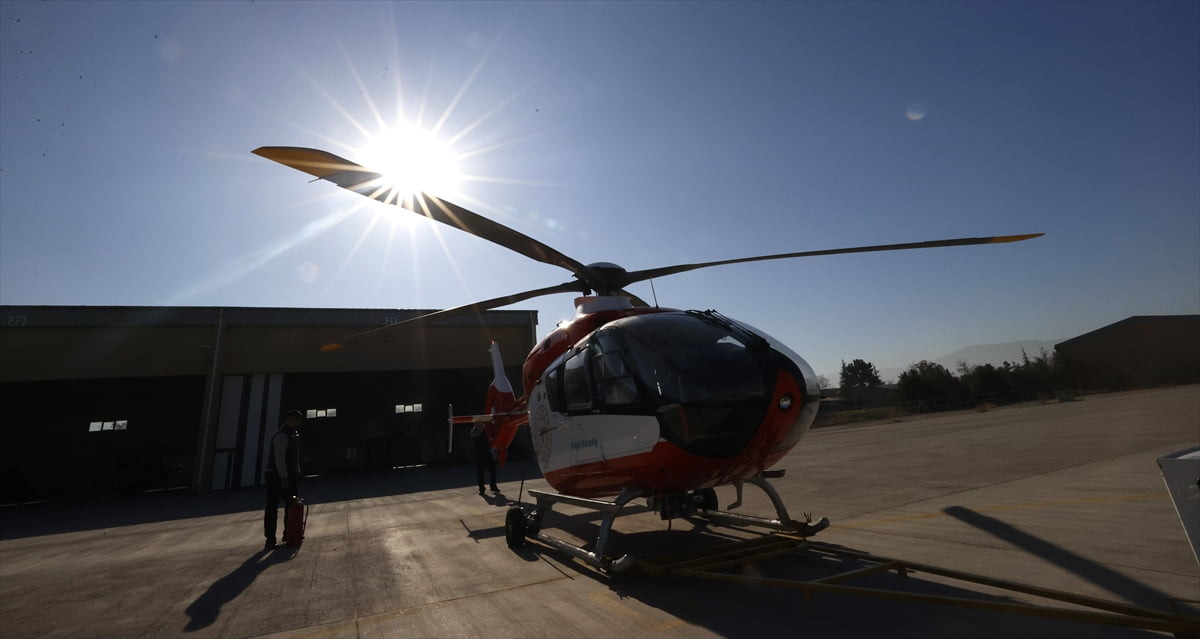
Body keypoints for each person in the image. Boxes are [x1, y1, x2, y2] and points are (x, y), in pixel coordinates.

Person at [264, 409, 303, 549]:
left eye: (298, 420)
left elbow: (294, 457)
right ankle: (270, 539)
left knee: (292, 504)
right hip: (276, 475)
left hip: (288, 474)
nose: (296, 422)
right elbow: (279, 458)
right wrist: (284, 476)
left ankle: (289, 533)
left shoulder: (294, 435)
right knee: (272, 507)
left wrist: (296, 471)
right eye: (294, 420)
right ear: (287, 420)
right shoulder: (282, 435)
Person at [471, 423, 499, 495]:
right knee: (481, 473)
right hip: (480, 455)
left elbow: (490, 441)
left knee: (491, 470)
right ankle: (482, 489)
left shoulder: (483, 430)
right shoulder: (475, 431)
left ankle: (491, 486)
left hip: (486, 453)